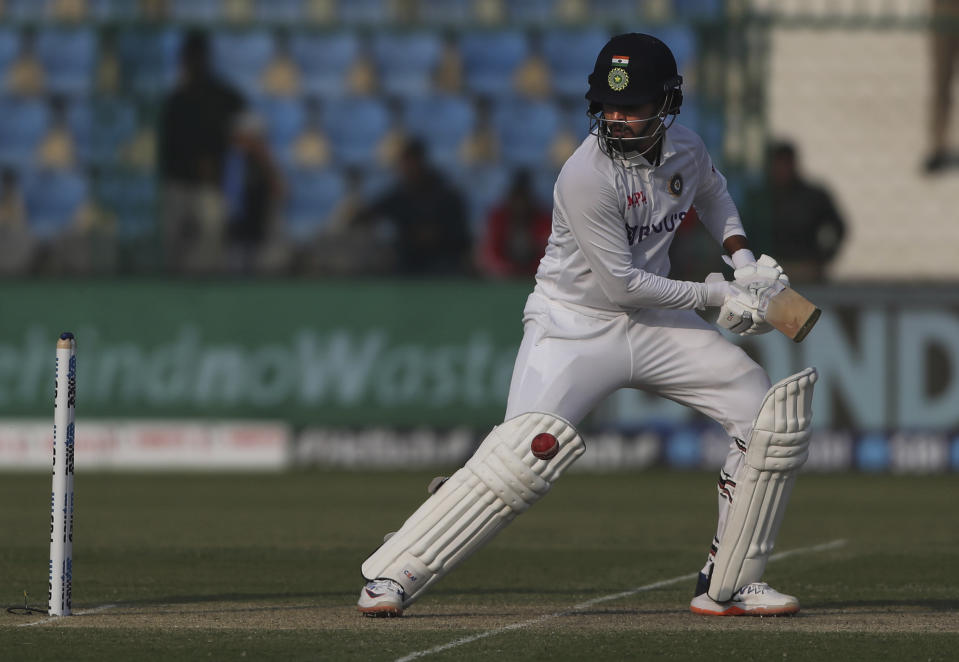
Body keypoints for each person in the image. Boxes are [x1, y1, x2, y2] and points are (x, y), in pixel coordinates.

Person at [356, 33, 818, 619]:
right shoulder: (585, 175)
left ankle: (728, 583)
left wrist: (744, 261)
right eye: (608, 107)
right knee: (524, 455)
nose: (618, 119)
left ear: (667, 104)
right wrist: (717, 295)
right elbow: (621, 284)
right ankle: (393, 575)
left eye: (632, 107)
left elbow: (714, 193)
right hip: (574, 324)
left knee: (767, 419)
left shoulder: (688, 149)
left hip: (656, 322)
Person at [157, 30, 246, 274]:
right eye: (189, 56)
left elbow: (247, 133)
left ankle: (204, 300)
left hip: (209, 187)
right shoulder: (175, 100)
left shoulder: (225, 96)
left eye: (196, 56)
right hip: (176, 185)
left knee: (209, 248)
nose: (193, 61)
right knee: (172, 250)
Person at [351, 138, 472, 276]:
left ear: (422, 162)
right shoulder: (399, 195)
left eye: (411, 163)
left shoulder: (447, 195)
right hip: (408, 263)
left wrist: (438, 235)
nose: (407, 168)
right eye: (404, 163)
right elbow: (367, 215)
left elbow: (462, 236)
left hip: (443, 262)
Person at [751, 140, 846, 283]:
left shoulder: (813, 196)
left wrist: (823, 259)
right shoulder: (759, 198)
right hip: (767, 272)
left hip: (805, 269)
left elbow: (839, 227)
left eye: (785, 164)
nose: (781, 170)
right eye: (777, 164)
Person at [477, 168, 552, 278]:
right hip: (501, 280)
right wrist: (505, 269)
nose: (520, 205)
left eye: (524, 199)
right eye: (517, 198)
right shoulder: (498, 218)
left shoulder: (543, 219)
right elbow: (489, 253)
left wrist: (534, 270)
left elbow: (551, 255)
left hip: (535, 277)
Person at [924, 0, 959, 173]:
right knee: (942, 81)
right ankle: (939, 146)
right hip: (944, 10)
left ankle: (939, 144)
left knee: (941, 83)